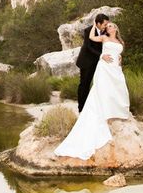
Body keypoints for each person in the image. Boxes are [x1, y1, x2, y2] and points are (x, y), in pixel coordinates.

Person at [54, 22, 130, 160]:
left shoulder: (120, 41)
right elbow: (91, 38)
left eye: (111, 26)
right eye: (107, 26)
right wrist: (95, 25)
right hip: (105, 67)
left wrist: (120, 59)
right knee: (103, 90)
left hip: (115, 68)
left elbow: (118, 52)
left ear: (116, 28)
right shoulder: (103, 38)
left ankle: (117, 111)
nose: (109, 27)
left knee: (118, 89)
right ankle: (105, 112)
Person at [76, 13, 112, 112]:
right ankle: (81, 109)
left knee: (100, 84)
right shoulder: (88, 30)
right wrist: (101, 55)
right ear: (98, 24)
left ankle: (97, 108)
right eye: (104, 24)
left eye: (107, 24)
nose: (106, 26)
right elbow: (88, 47)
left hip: (100, 63)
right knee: (84, 85)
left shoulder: (106, 31)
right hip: (86, 61)